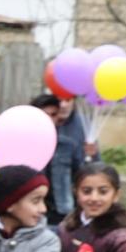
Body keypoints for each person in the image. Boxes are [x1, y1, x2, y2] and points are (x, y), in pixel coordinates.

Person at [32, 92, 93, 225]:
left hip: (60, 213)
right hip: (30, 213)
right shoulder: (23, 146)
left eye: (53, 115)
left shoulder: (67, 145)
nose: (49, 119)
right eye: (44, 114)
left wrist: (90, 156)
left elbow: (82, 175)